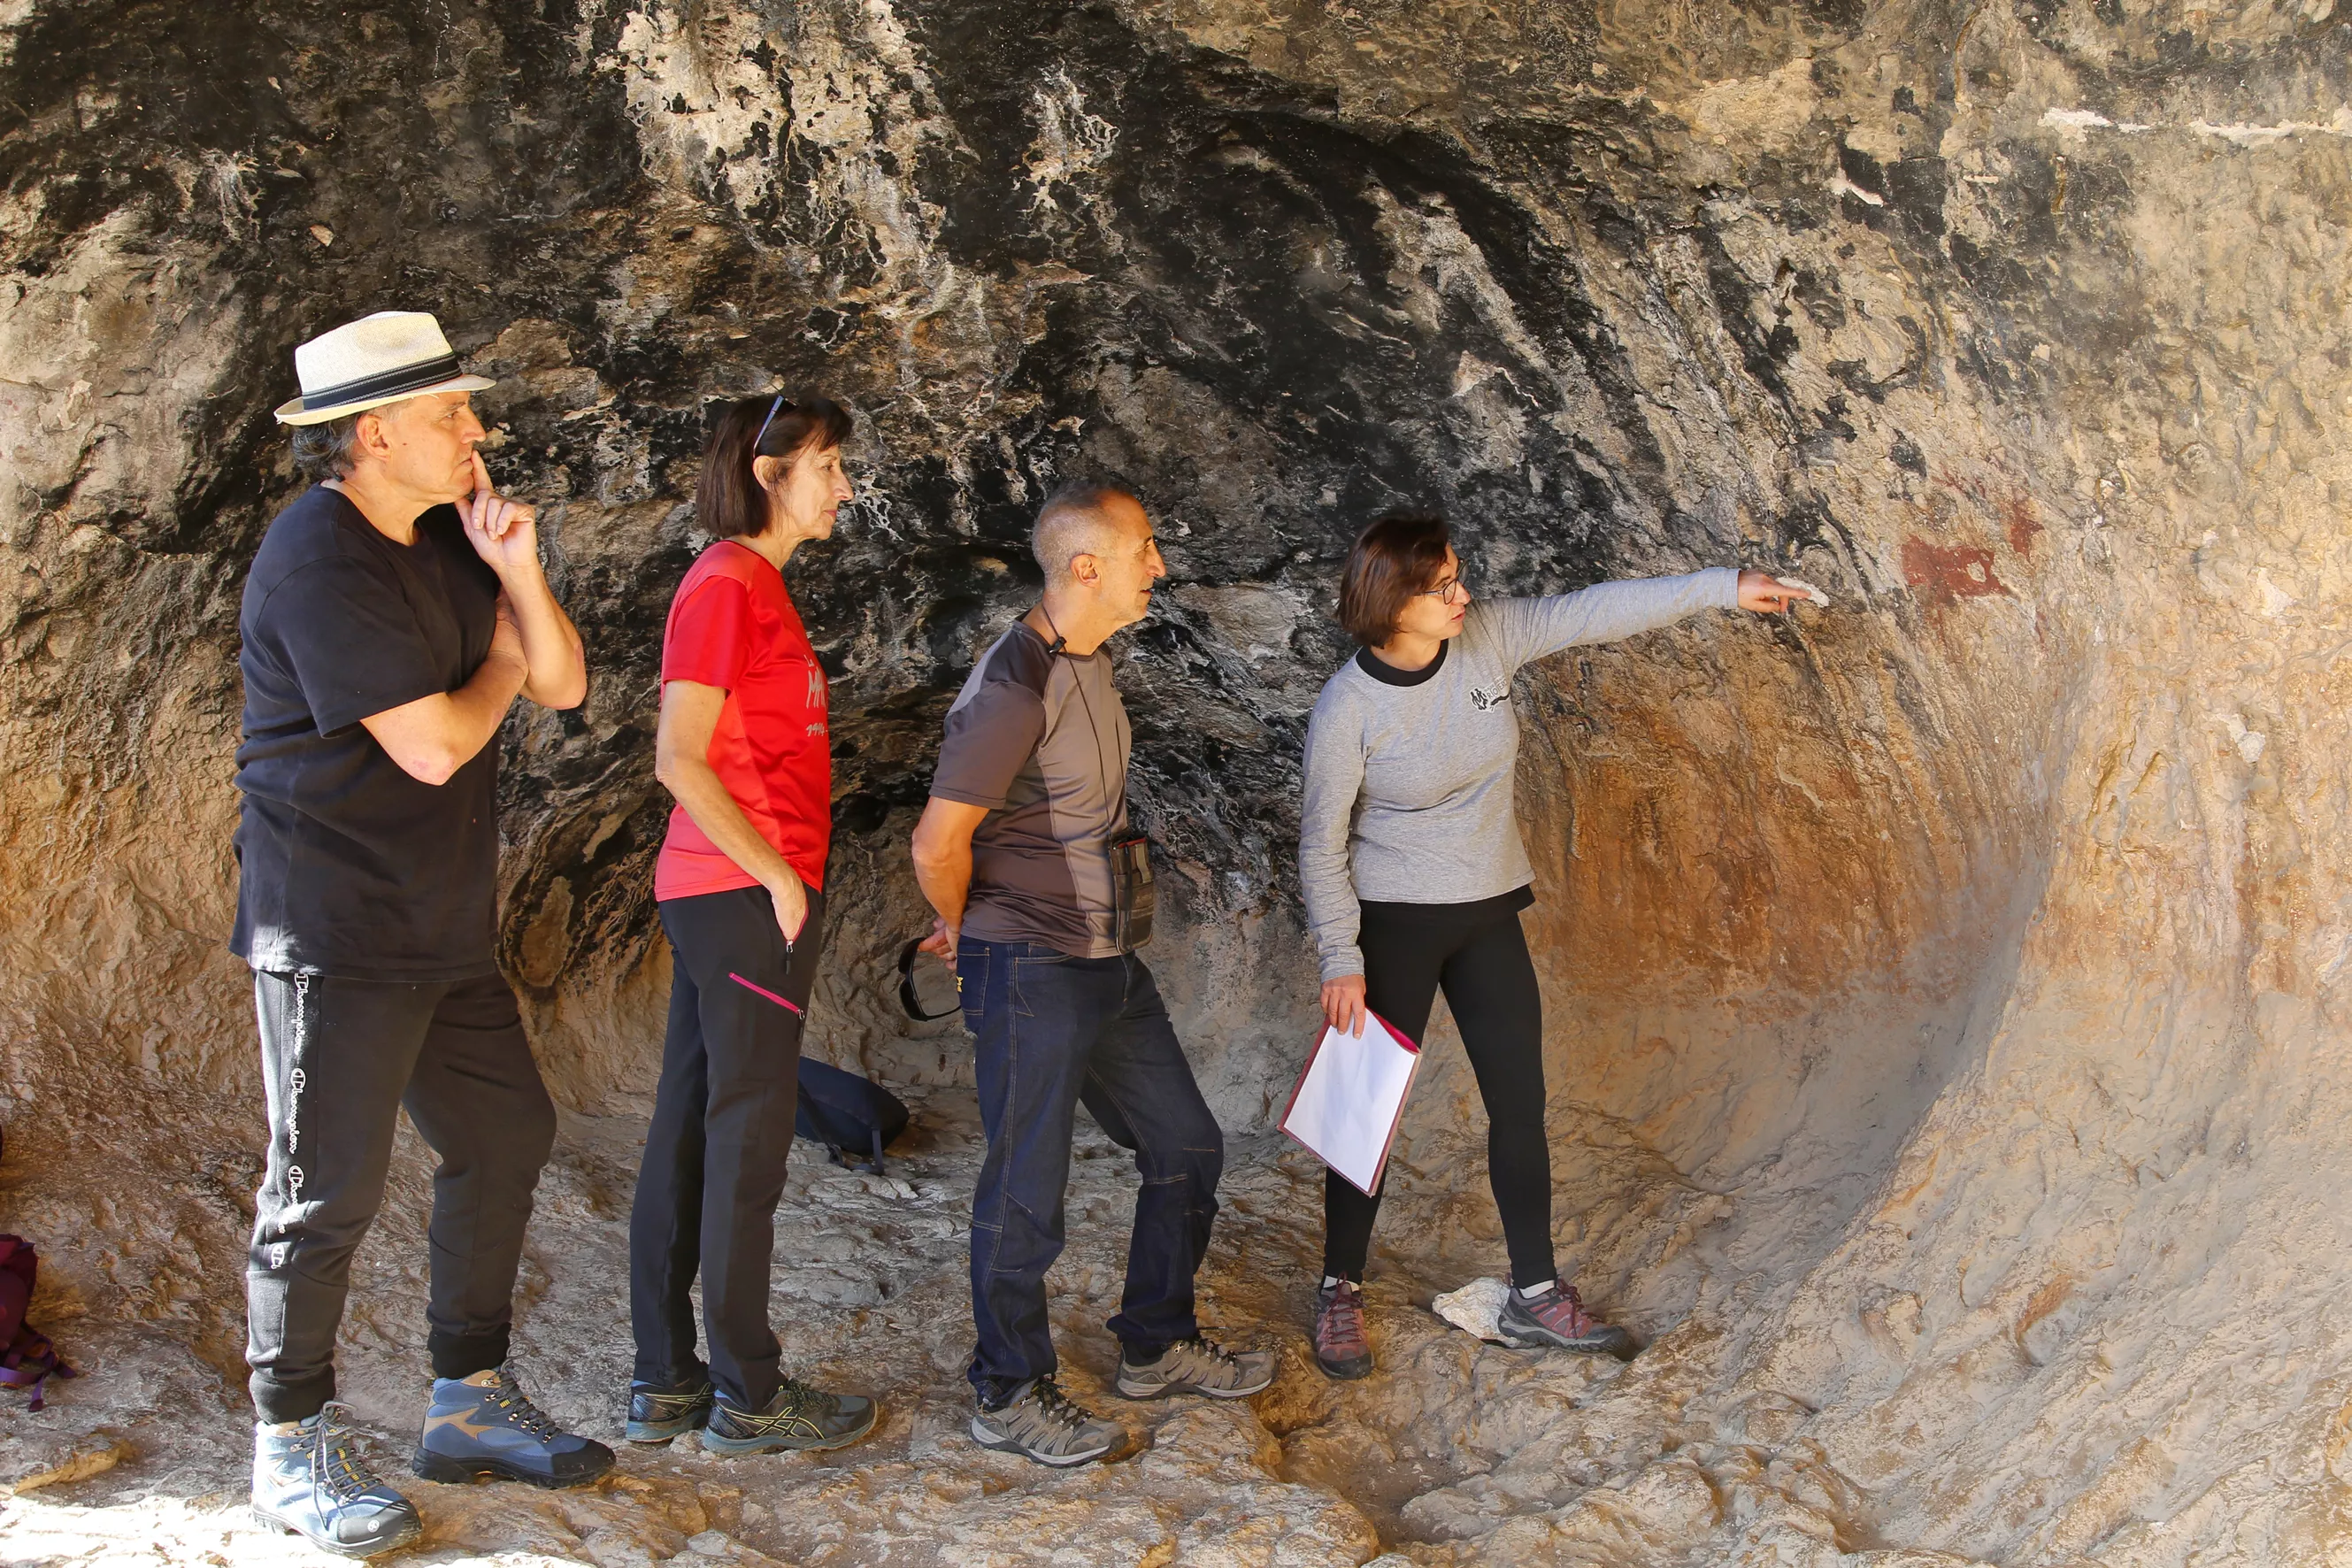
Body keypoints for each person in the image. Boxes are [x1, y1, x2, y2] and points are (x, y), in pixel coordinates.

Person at [236, 310, 598, 1558]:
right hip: (332, 925)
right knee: (321, 1194)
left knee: (506, 1134)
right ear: (373, 431)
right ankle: (288, 1446)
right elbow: (438, 745)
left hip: (439, 922)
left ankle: (468, 1404)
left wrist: (516, 574)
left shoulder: (448, 536)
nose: (477, 432)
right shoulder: (315, 560)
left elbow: (561, 681)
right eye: (454, 414)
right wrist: (495, 665)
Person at [1296, 511, 1814, 1380]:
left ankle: (1536, 1291)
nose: (1465, 594)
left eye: (1460, 576)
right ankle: (1338, 1286)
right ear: (1394, 602)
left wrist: (1723, 587)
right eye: (1444, 586)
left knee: (1520, 1103)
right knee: (1363, 1112)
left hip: (1487, 909)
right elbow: (1320, 841)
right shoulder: (1348, 708)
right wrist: (1341, 956)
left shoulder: (1488, 638)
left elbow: (1595, 611)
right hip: (1394, 921)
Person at [909, 483, 1274, 1469]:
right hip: (1030, 965)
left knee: (1187, 1143)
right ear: (1086, 567)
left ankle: (1154, 1341)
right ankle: (1007, 1388)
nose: (1159, 565)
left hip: (1106, 960)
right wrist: (962, 923)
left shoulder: (1092, 661)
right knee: (1029, 1186)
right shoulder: (1011, 685)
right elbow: (938, 838)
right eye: (1145, 548)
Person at [623, 394, 880, 1457]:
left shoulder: (752, 587)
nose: (844, 485)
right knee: (749, 1141)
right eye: (828, 463)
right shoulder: (729, 582)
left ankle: (668, 1381)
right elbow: (679, 754)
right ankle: (749, 1392)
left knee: (693, 1121)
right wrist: (778, 876)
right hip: (741, 893)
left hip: (724, 892)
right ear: (769, 470)